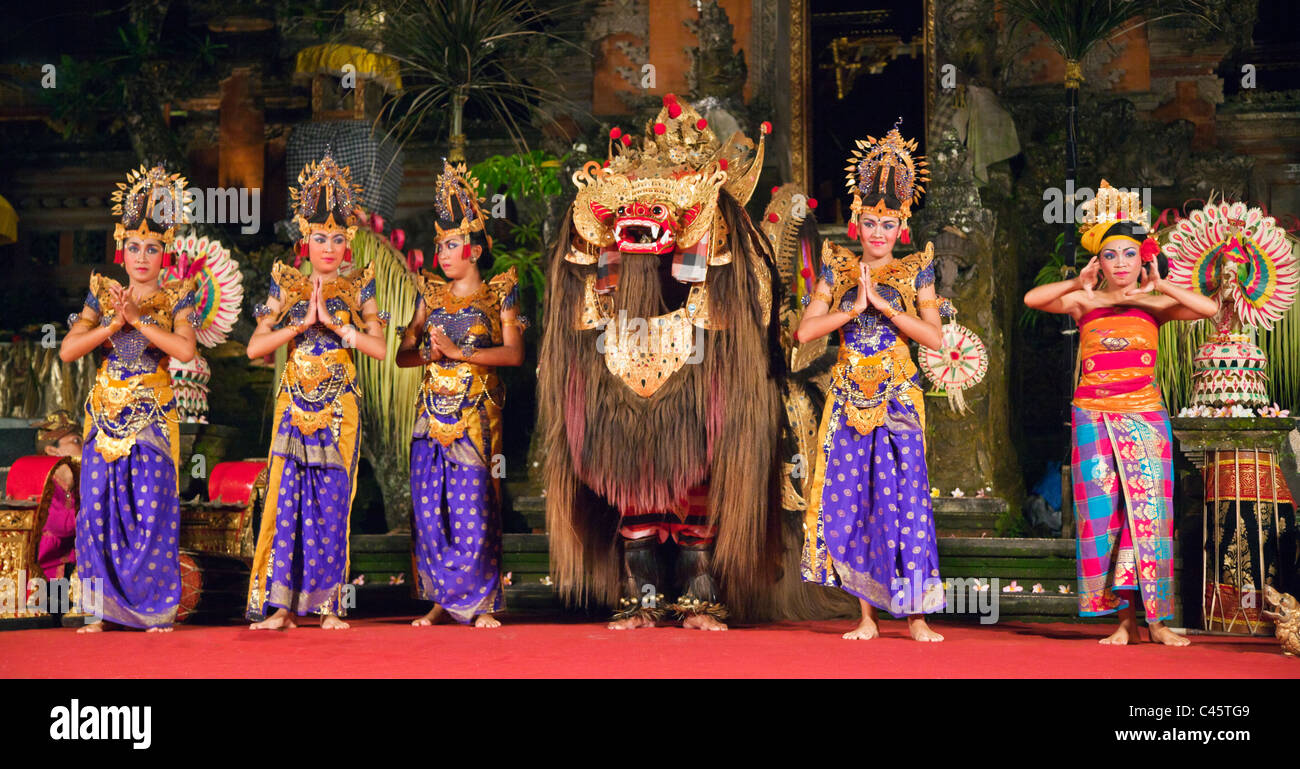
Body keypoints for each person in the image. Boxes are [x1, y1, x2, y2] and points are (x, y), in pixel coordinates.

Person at [537, 95, 783, 630]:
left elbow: (744, 319)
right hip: (620, 359)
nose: (643, 226)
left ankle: (701, 597)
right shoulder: (599, 258)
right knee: (629, 482)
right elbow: (576, 312)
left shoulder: (721, 248)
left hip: (698, 363)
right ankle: (640, 599)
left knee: (701, 480)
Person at [1023, 180, 1218, 646]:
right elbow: (1034, 300)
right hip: (1093, 417)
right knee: (1104, 518)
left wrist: (1160, 283)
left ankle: (1158, 624)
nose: (1121, 264)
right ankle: (1124, 623)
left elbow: (1209, 307)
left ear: (1142, 259)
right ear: (1100, 263)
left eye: (1129, 255)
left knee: (1147, 517)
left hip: (1146, 418)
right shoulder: (1084, 303)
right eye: (1111, 256)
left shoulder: (1155, 305)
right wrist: (1077, 280)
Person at [795, 122, 948, 642]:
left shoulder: (915, 271)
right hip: (846, 396)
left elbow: (935, 339)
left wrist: (885, 307)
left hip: (899, 394)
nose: (878, 233)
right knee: (853, 500)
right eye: (869, 222)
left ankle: (917, 616)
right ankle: (865, 618)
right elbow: (803, 332)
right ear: (855, 223)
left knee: (904, 499)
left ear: (901, 225)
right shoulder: (837, 268)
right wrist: (853, 309)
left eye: (887, 223)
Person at [244, 151, 388, 631]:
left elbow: (379, 348)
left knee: (331, 501)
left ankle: (328, 606)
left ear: (350, 242)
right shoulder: (285, 285)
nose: (329, 247)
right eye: (320, 237)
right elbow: (254, 346)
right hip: (293, 404)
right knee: (284, 499)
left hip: (337, 406)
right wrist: (301, 324)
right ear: (305, 239)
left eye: (338, 238)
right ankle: (280, 608)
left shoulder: (360, 285)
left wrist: (336, 327)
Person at [59, 164, 198, 633]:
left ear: (166, 252)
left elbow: (185, 350)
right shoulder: (102, 294)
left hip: (153, 414)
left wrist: (138, 319)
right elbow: (67, 350)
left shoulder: (178, 296)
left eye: (153, 248)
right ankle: (99, 611)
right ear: (123, 247)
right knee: (98, 507)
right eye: (134, 247)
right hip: (105, 413)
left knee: (150, 510)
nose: (142, 257)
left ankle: (153, 609)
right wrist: (113, 323)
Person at [396, 161, 525, 629]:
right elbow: (402, 357)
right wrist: (430, 356)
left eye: (451, 245)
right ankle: (440, 600)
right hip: (429, 413)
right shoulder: (428, 296)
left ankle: (482, 602)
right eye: (439, 244)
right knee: (431, 508)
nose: (442, 253)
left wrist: (459, 351)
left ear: (472, 248)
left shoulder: (500, 294)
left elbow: (513, 355)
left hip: (474, 415)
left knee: (474, 504)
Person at [32, 410, 83, 580]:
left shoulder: (82, 480)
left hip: (78, 567)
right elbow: (60, 526)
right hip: (48, 572)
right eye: (77, 441)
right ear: (52, 450)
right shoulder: (44, 483)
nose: (85, 446)